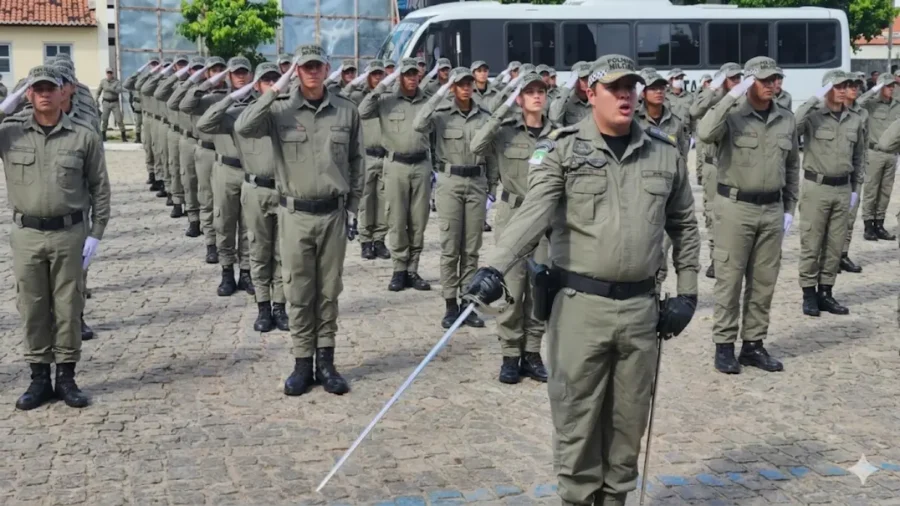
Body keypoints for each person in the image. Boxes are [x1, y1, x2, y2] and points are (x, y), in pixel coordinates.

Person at [464, 54, 699, 506]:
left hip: (640, 311)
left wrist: (687, 292)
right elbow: (531, 214)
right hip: (579, 309)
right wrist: (495, 267)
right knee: (576, 419)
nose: (627, 95)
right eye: (615, 88)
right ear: (590, 93)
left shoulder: (664, 152)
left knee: (629, 423)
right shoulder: (563, 151)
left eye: (631, 87)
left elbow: (684, 225)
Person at [235, 44, 363, 396]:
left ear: (326, 68)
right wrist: (276, 88)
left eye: (316, 65)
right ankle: (302, 362)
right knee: (298, 289)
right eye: (303, 67)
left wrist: (352, 206)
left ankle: (326, 360)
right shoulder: (278, 110)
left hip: (333, 214)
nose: (311, 72)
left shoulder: (345, 111)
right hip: (294, 215)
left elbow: (356, 161)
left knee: (328, 290)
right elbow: (244, 127)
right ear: (295, 70)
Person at [0, 66, 111, 410]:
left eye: (51, 87)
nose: (45, 93)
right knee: (32, 307)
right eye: (38, 88)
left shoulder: (83, 135)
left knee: (68, 306)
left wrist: (96, 234)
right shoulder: (10, 133)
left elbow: (100, 188)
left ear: (64, 92)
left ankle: (66, 377)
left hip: (70, 233)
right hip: (27, 234)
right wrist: (8, 103)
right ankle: (38, 379)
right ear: (29, 94)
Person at [697, 57, 800, 375]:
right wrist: (730, 96)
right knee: (729, 279)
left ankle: (753, 345)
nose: (773, 85)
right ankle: (724, 346)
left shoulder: (786, 118)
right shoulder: (731, 115)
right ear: (749, 81)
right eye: (766, 79)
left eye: (777, 79)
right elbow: (703, 132)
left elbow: (793, 165)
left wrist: (788, 208)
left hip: (771, 210)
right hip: (735, 207)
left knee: (764, 281)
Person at [470, 71, 552, 384]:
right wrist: (503, 109)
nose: (536, 96)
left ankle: (532, 352)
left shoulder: (556, 134)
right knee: (512, 288)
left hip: (544, 217)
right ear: (519, 98)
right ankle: (510, 354)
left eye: (540, 91)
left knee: (539, 286)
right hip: (512, 214)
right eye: (529, 92)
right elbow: (477, 144)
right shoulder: (505, 131)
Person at [413, 67, 497, 329]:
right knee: (450, 248)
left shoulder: (484, 116)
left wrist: (491, 187)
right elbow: (418, 124)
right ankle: (450, 304)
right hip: (449, 182)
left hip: (476, 182)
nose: (465, 88)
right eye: (459, 84)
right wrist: (439, 93)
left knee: (471, 249)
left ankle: (467, 303)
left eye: (468, 83)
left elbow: (491, 152)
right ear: (452, 87)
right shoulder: (440, 115)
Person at [794, 70, 865, 317]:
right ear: (826, 90)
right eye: (839, 86)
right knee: (812, 242)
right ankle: (808, 294)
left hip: (843, 188)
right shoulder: (813, 117)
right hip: (817, 188)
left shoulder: (855, 118)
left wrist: (856, 189)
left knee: (835, 245)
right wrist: (815, 98)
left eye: (847, 85)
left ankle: (826, 292)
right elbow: (793, 125)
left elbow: (859, 156)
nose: (845, 89)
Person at [359, 58, 432, 292]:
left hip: (421, 165)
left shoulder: (428, 101)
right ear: (399, 76)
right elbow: (363, 111)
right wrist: (382, 85)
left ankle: (413, 268)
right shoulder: (387, 100)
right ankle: (399, 269)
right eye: (407, 74)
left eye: (414, 74)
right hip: (395, 166)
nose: (411, 78)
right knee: (397, 219)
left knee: (418, 220)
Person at [196, 57, 255, 296]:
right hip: (225, 170)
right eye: (235, 73)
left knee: (250, 225)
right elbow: (190, 107)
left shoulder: (259, 102)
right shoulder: (217, 100)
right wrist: (225, 93)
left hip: (250, 171)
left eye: (244, 72)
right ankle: (227, 272)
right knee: (225, 223)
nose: (240, 76)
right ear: (229, 76)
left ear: (250, 75)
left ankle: (248, 272)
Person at [691, 62, 744, 280]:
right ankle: (715, 258)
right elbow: (694, 111)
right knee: (713, 212)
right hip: (714, 164)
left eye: (738, 78)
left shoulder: (744, 99)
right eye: (731, 78)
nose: (736, 82)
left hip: (735, 164)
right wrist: (714, 88)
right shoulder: (712, 98)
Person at [180, 57, 229, 264]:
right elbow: (179, 104)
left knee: (228, 205)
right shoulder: (203, 99)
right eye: (213, 70)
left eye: (221, 69)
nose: (218, 73)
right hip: (207, 152)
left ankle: (230, 246)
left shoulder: (236, 96)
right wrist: (204, 83)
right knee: (207, 198)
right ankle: (211, 242)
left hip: (231, 155)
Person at [342, 60, 391, 261]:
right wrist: (357, 82)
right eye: (374, 74)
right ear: (368, 76)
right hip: (367, 155)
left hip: (385, 155)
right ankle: (365, 240)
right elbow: (342, 96)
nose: (378, 78)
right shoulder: (357, 97)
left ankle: (379, 239)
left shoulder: (389, 97)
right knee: (365, 201)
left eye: (381, 74)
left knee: (383, 202)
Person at [167, 56, 208, 236]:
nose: (198, 72)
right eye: (194, 68)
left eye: (202, 68)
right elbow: (168, 100)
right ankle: (193, 218)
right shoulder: (185, 89)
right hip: (188, 139)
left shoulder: (213, 90)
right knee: (189, 180)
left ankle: (211, 227)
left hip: (210, 144)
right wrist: (188, 80)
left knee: (207, 188)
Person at [840, 72, 869, 273]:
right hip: (835, 171)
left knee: (850, 217)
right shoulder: (831, 110)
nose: (854, 89)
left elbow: (862, 146)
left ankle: (842, 254)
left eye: (857, 86)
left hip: (854, 170)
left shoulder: (862, 113)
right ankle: (828, 258)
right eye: (850, 85)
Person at [125, 57, 161, 190]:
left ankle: (160, 177)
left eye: (156, 65)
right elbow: (128, 84)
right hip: (147, 117)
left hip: (159, 118)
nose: (154, 67)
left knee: (159, 149)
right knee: (148, 147)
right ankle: (151, 173)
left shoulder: (164, 80)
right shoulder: (144, 80)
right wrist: (144, 71)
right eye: (152, 65)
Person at [548, 61, 591, 126]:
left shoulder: (596, 99)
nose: (587, 81)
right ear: (574, 79)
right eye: (583, 78)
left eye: (589, 77)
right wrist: (567, 88)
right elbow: (554, 119)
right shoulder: (566, 100)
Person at [95, 67, 127, 142]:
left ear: (112, 73)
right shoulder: (103, 82)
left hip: (115, 102)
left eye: (110, 73)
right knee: (104, 119)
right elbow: (98, 91)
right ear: (106, 73)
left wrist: (110, 88)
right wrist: (96, 99)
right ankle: (103, 136)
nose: (109, 74)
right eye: (108, 73)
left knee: (119, 119)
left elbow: (118, 90)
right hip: (106, 102)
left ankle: (123, 136)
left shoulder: (117, 82)